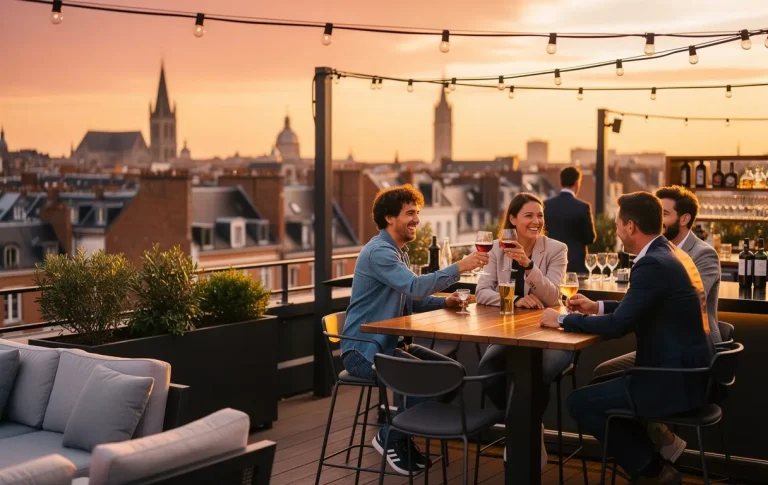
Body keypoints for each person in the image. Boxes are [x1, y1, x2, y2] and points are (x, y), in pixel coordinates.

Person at [540, 191, 714, 484]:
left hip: (671, 380)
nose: (618, 231)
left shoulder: (651, 263)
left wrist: (560, 319)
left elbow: (619, 326)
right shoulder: (669, 253)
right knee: (598, 388)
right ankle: (651, 459)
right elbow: (641, 309)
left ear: (631, 226)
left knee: (579, 403)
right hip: (694, 373)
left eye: (619, 225)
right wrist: (596, 307)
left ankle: (652, 470)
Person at [341, 184, 489, 475]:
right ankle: (390, 437)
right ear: (389, 218)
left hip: (390, 347)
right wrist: (461, 266)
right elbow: (415, 287)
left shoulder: (398, 252)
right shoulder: (380, 253)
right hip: (364, 351)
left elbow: (410, 298)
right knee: (426, 379)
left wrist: (444, 301)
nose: (417, 220)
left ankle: (400, 437)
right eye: (410, 213)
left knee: (453, 373)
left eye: (417, 213)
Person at [590, 185, 724, 463]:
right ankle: (654, 443)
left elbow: (668, 303)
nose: (659, 220)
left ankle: (651, 462)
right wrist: (597, 306)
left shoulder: (695, 254)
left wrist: (567, 320)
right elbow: (647, 303)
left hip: (683, 354)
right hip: (673, 347)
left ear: (684, 218)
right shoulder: (665, 251)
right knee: (603, 373)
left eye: (665, 213)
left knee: (587, 401)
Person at [475, 193, 572, 469]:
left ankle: (522, 436)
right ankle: (525, 428)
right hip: (512, 333)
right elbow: (481, 291)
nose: (536, 221)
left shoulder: (556, 249)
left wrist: (528, 266)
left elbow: (553, 297)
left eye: (539, 215)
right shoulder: (497, 248)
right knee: (487, 371)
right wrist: (515, 300)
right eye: (528, 215)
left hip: (550, 334)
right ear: (513, 220)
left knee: (537, 372)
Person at [544, 166, 597, 273]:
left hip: (551, 262)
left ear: (560, 181)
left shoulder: (546, 205)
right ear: (577, 182)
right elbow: (590, 238)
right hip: (576, 264)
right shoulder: (582, 207)